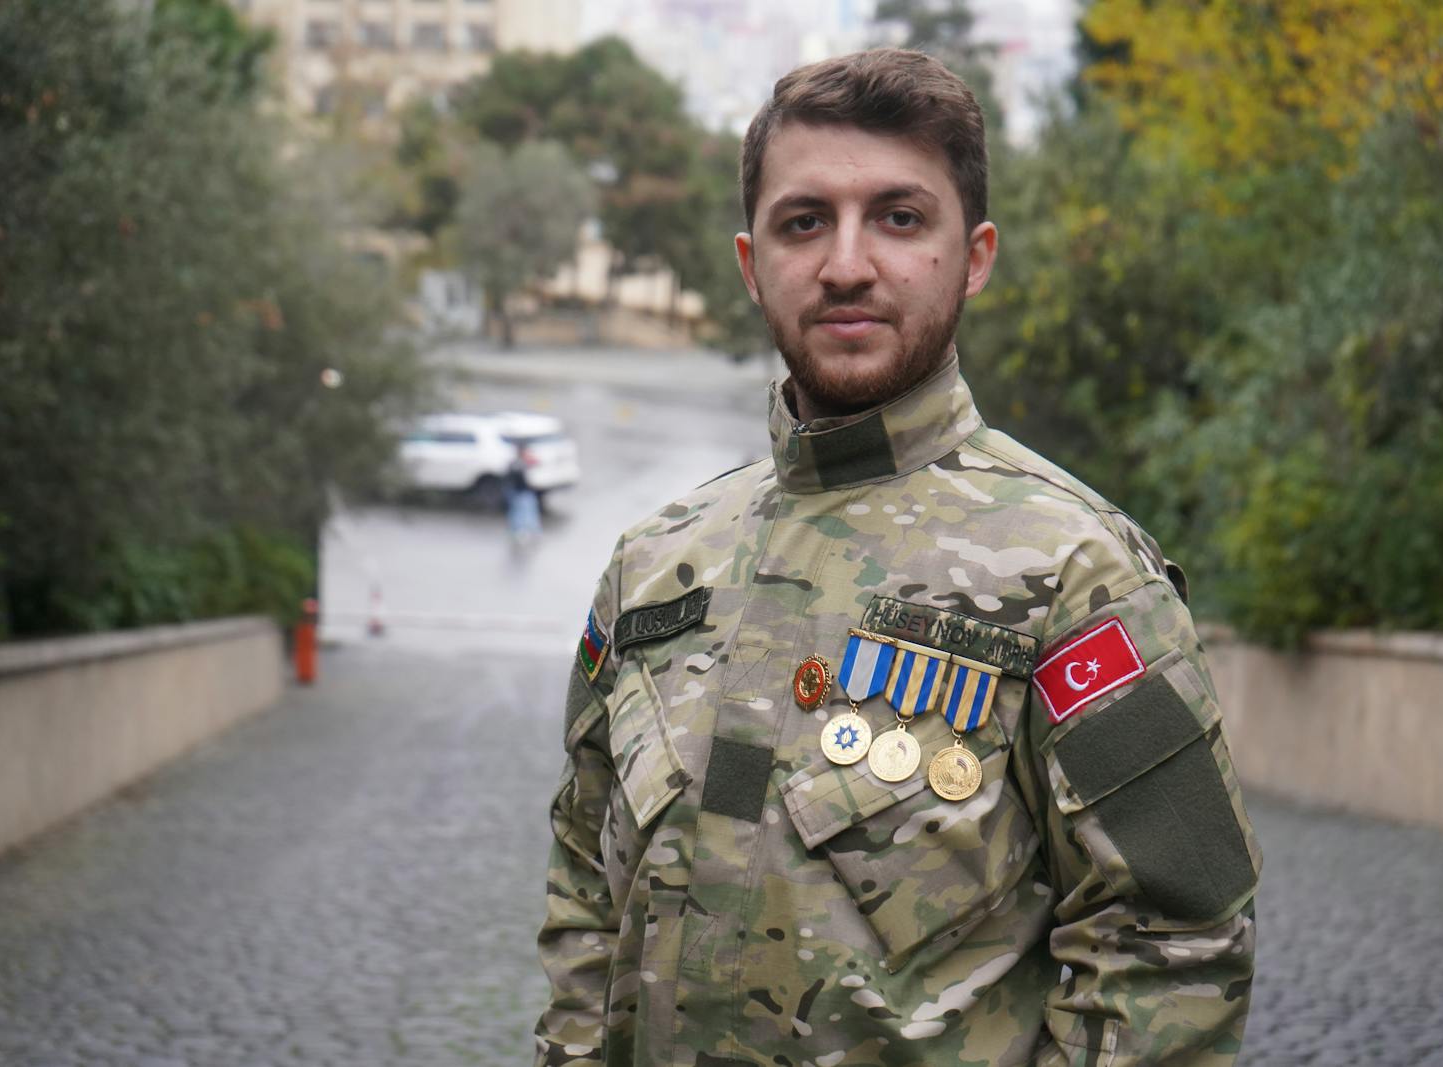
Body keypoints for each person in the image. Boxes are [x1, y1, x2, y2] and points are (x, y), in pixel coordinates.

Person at [536, 48, 1260, 1066]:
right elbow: (583, 894)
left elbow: (1175, 941)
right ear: (752, 265)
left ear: (974, 256)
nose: (845, 263)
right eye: (804, 221)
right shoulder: (654, 568)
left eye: (899, 217)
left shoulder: (1074, 572)